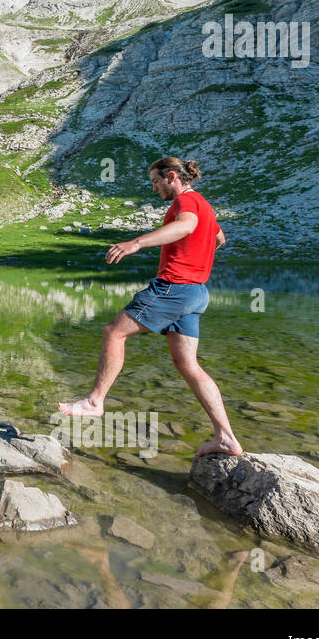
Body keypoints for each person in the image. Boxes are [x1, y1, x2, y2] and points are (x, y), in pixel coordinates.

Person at [58, 156, 243, 457]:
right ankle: (226, 437)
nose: (154, 188)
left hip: (173, 287)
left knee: (113, 333)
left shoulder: (186, 204)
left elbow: (187, 226)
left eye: (156, 182)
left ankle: (94, 401)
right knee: (188, 365)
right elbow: (219, 237)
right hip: (196, 292)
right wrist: (197, 251)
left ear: (172, 176)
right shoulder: (204, 205)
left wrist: (137, 244)